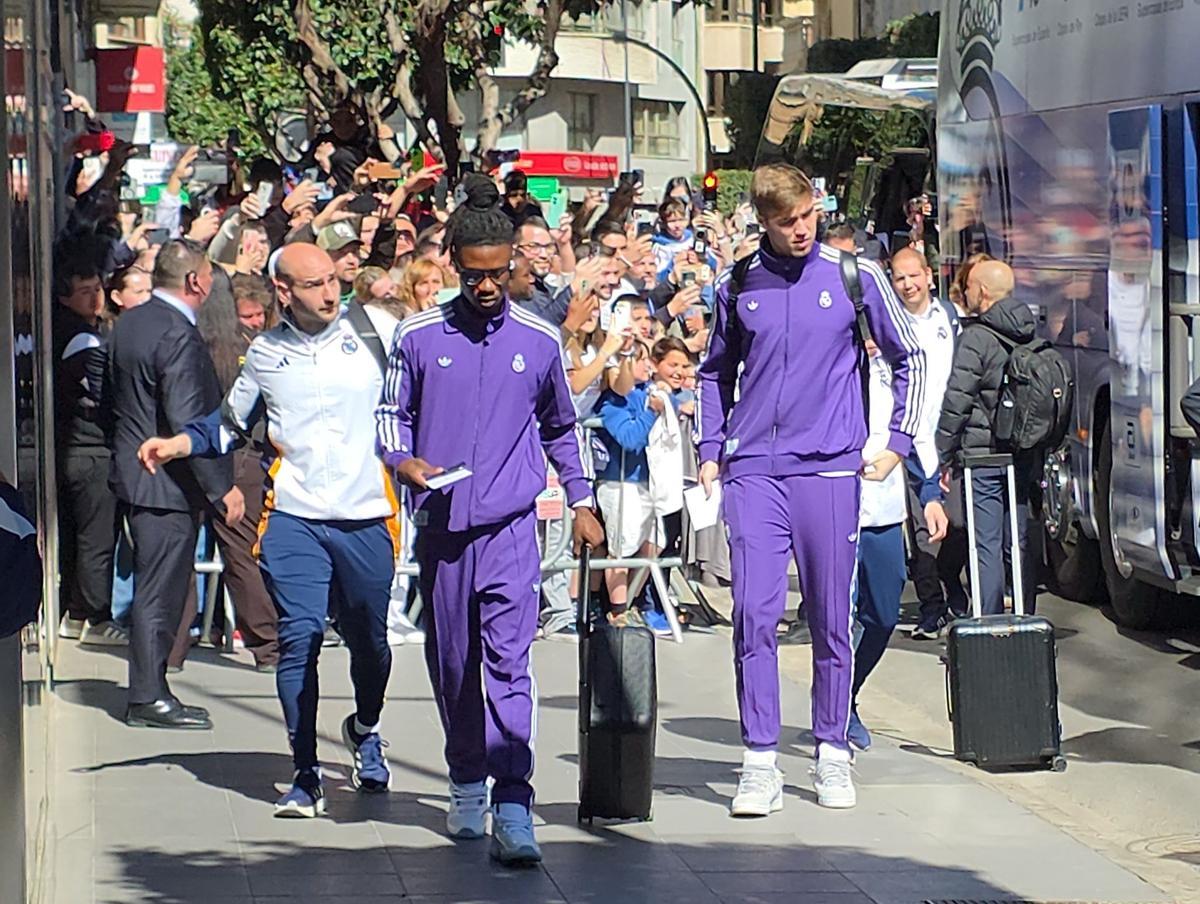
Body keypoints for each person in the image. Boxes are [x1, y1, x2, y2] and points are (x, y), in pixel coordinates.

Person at [375, 175, 603, 865]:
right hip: (443, 528)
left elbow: (563, 426)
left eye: (498, 274)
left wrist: (585, 500)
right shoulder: (417, 336)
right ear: (452, 266)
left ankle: (513, 799)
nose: (486, 287)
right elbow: (392, 413)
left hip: (510, 529)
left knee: (509, 664)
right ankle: (466, 778)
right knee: (454, 665)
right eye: (473, 275)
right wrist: (401, 459)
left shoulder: (537, 339)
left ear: (513, 266)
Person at [137, 242, 402, 818]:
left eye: (333, 279)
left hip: (366, 516)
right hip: (294, 519)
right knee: (299, 638)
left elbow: (420, 403)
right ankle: (306, 776)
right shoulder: (265, 355)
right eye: (314, 284)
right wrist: (178, 443)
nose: (330, 292)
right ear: (284, 291)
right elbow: (227, 424)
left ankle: (364, 727)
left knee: (372, 646)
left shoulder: (378, 331)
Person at [697, 163, 924, 813]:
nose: (801, 230)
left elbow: (908, 356)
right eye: (786, 221)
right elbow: (714, 374)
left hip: (828, 468)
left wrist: (898, 444)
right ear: (762, 222)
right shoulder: (740, 283)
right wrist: (710, 449)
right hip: (755, 471)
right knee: (754, 613)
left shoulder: (854, 276)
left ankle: (830, 750)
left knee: (830, 615)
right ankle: (760, 759)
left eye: (808, 216)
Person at [104, 240, 243, 730]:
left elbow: (112, 404)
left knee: (155, 587)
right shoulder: (177, 335)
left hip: (136, 475)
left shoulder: (130, 323)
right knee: (160, 592)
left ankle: (152, 686)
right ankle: (148, 694)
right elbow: (188, 421)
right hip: (166, 483)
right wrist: (221, 487)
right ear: (195, 282)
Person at [936, 259, 1039, 615]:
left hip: (983, 457)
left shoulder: (977, 337)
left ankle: (988, 624)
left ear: (981, 292)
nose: (964, 293)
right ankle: (1024, 621)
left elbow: (957, 400)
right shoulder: (1032, 331)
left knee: (986, 545)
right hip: (1023, 453)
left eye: (968, 288)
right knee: (1019, 540)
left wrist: (943, 454)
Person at [888, 248, 967, 640]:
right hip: (910, 436)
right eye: (899, 278)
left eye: (913, 276)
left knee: (957, 522)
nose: (908, 285)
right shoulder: (888, 323)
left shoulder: (949, 317)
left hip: (949, 435)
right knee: (924, 528)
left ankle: (954, 591)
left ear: (928, 276)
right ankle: (931, 607)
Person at [53, 260, 125, 645]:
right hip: (89, 451)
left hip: (77, 450)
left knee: (82, 537)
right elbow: (102, 396)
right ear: (65, 297)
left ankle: (76, 612)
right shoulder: (82, 340)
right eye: (85, 291)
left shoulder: (80, 333)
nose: (94, 297)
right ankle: (93, 617)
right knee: (96, 539)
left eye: (97, 288)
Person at [316, 221, 362, 300]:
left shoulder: (367, 295)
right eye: (341, 253)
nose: (351, 260)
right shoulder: (312, 303)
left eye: (355, 252)